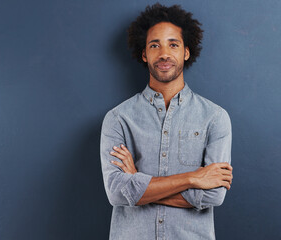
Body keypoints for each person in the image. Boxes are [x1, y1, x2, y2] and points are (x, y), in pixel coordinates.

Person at [100, 3, 233, 240]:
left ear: (186, 51)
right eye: (155, 45)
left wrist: (138, 184)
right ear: (144, 54)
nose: (164, 53)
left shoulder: (215, 117)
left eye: (173, 44)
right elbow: (117, 193)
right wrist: (192, 178)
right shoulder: (118, 119)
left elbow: (214, 196)